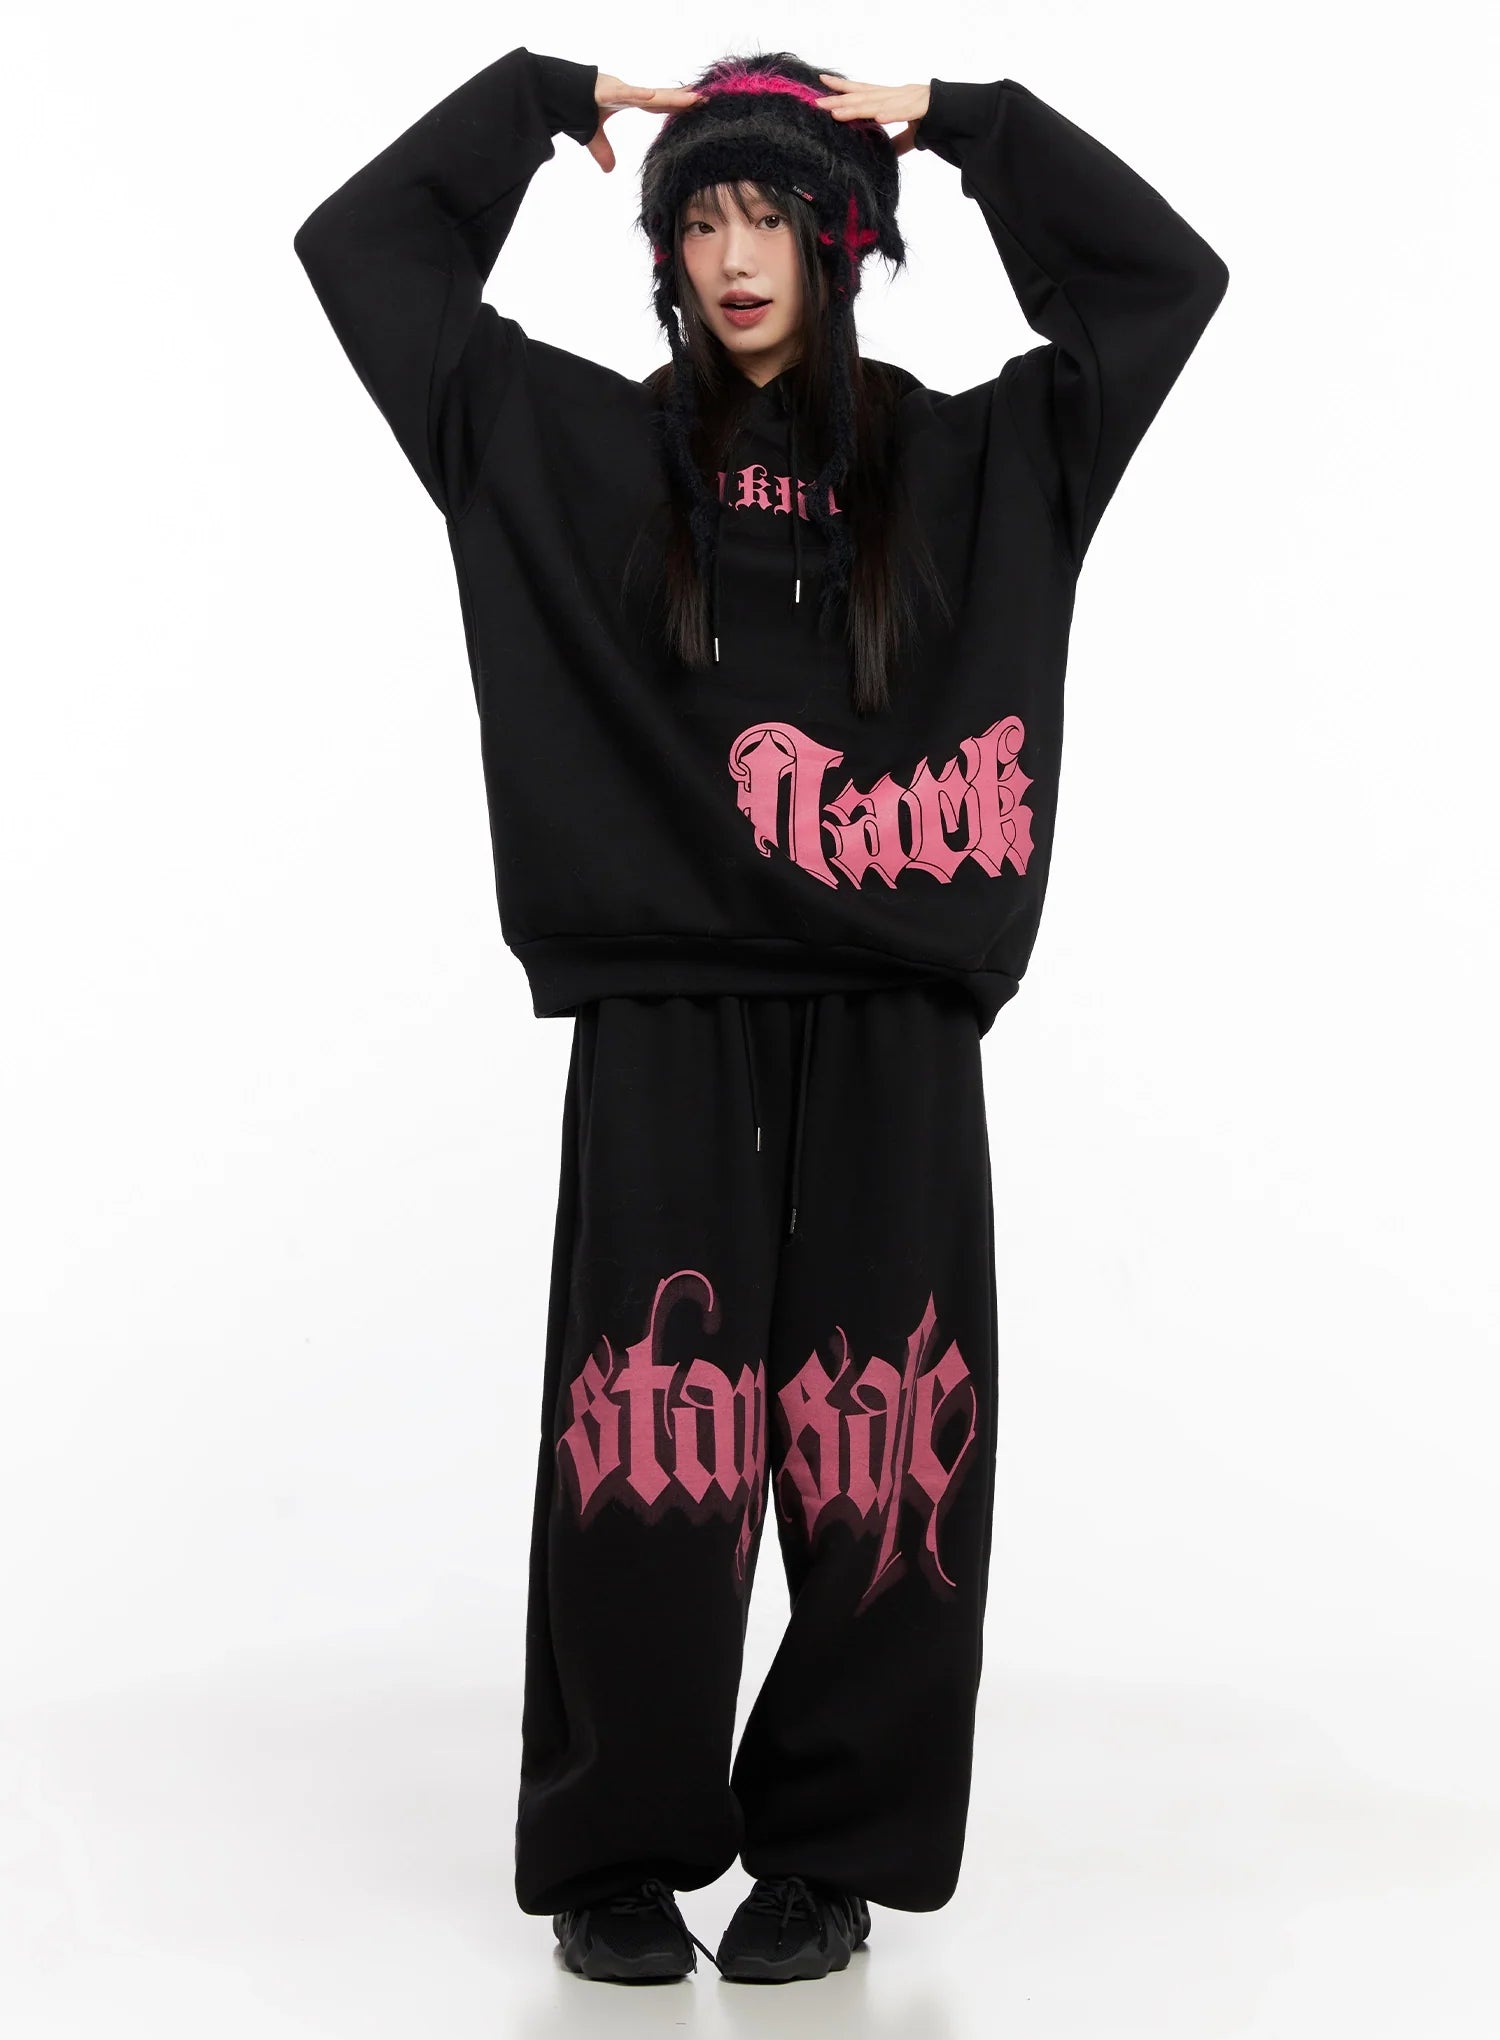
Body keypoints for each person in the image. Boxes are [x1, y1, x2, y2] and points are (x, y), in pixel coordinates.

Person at [292, 44, 1228, 1987]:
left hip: (893, 1016)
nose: (732, 256)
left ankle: (831, 1852)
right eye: (700, 220)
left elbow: (1161, 283)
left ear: (842, 235)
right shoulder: (575, 450)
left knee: (889, 1455)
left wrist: (964, 120)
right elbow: (365, 253)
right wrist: (541, 97)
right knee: (653, 1444)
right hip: (665, 1008)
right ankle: (618, 1849)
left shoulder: (972, 463)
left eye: (770, 215)